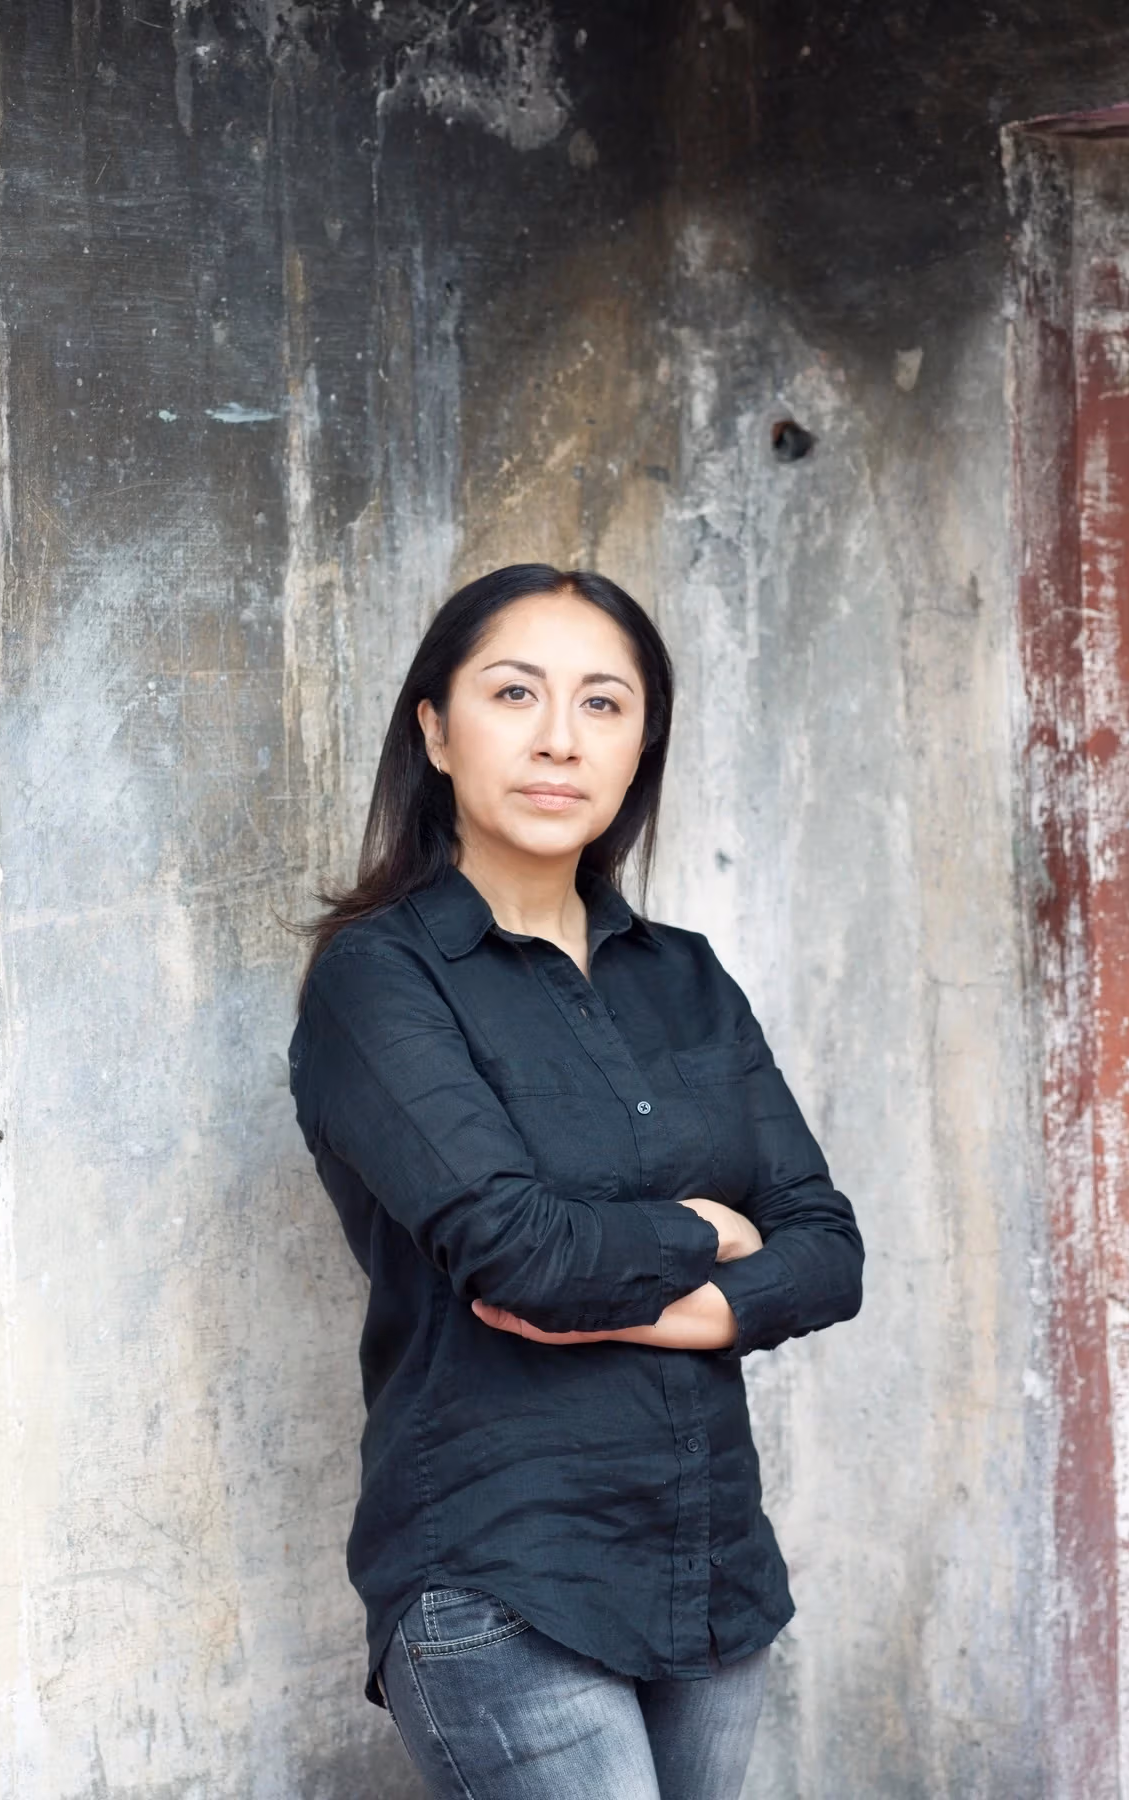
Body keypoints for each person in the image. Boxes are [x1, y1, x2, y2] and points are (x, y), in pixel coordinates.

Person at [285, 563, 864, 1799]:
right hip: (504, 1573)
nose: (560, 740)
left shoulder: (687, 977)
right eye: (514, 693)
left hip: (710, 1572)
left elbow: (826, 1246)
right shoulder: (380, 982)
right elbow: (518, 1256)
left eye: (605, 704)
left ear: (641, 744)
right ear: (436, 729)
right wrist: (708, 1229)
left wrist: (664, 1281)